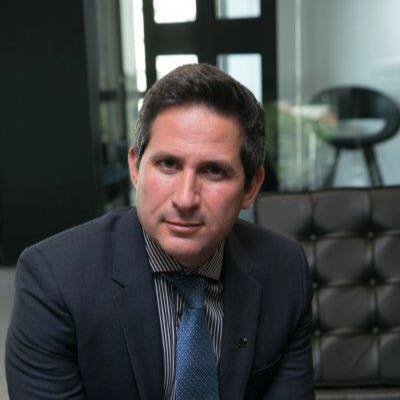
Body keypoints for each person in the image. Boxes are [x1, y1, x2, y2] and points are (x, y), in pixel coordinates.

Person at [6, 63, 315, 399]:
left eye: (213, 171)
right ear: (136, 167)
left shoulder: (284, 269)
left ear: (251, 187)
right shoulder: (55, 281)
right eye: (168, 164)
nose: (185, 199)